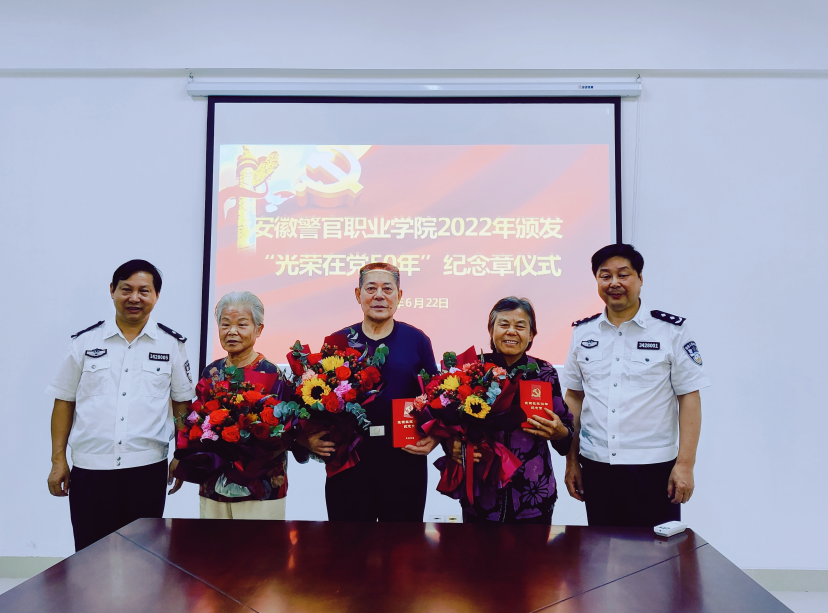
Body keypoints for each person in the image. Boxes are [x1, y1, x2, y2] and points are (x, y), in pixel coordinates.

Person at [45, 260, 195, 551]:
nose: (134, 298)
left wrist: (183, 453)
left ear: (156, 295)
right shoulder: (84, 342)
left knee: (145, 559)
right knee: (90, 557)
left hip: (147, 469)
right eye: (126, 289)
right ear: (112, 290)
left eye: (144, 291)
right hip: (91, 468)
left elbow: (182, 404)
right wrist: (58, 460)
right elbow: (64, 401)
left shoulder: (171, 345)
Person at [562, 244, 711, 527]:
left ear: (640, 278)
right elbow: (574, 398)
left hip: (654, 468)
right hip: (597, 465)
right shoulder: (583, 333)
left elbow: (689, 397)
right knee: (600, 551)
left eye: (623, 274)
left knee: (658, 551)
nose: (614, 283)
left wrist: (685, 465)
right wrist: (571, 461)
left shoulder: (670, 331)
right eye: (605, 276)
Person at [316, 262, 439, 521]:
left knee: (403, 541)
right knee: (346, 539)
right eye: (371, 288)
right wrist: (308, 438)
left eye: (387, 289)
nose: (379, 296)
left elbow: (437, 396)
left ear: (399, 295)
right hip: (350, 459)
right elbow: (317, 399)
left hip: (404, 458)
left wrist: (436, 436)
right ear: (358, 294)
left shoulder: (417, 340)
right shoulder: (337, 342)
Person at [176, 291, 315, 520]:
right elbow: (196, 421)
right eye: (225, 324)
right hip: (214, 483)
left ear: (258, 329)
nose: (232, 331)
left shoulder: (272, 374)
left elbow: (288, 431)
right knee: (212, 542)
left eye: (241, 324)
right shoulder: (211, 372)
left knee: (260, 544)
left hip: (261, 486)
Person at [445, 297, 574, 524]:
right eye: (503, 324)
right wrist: (451, 445)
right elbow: (448, 426)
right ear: (491, 330)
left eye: (520, 326)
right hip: (481, 495)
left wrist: (560, 433)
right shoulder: (472, 370)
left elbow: (565, 436)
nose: (511, 331)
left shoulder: (544, 372)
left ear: (532, 334)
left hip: (534, 494)